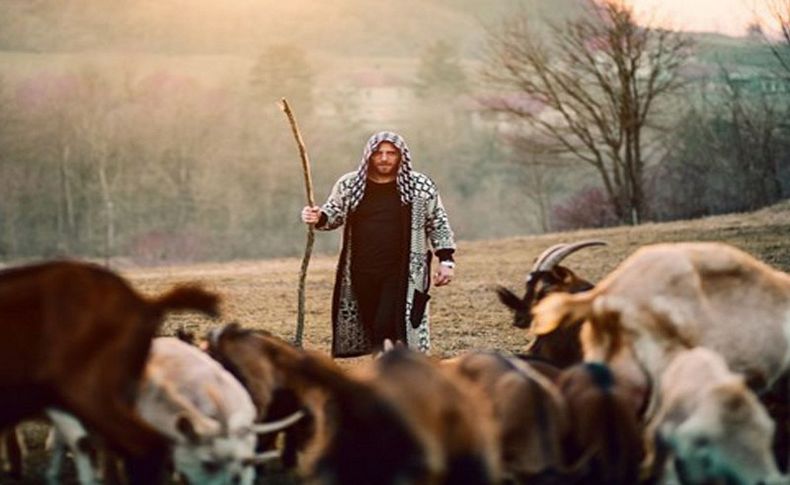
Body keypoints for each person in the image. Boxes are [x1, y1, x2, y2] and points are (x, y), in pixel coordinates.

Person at [301, 131, 456, 358]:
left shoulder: (420, 187)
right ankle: (388, 374)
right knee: (374, 327)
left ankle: (396, 372)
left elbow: (438, 222)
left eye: (391, 153)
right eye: (378, 153)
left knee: (389, 326)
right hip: (361, 271)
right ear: (369, 156)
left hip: (404, 272)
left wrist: (446, 260)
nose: (384, 158)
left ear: (401, 156)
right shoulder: (350, 185)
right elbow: (333, 215)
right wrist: (317, 217)